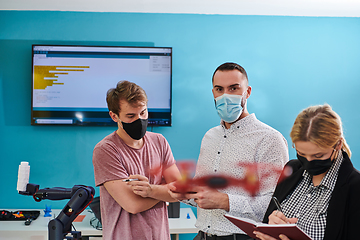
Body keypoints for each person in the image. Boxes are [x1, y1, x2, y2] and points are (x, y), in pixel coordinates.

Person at [169, 62, 289, 240]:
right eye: (219, 89)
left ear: (247, 92)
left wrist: (225, 201)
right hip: (202, 235)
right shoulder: (210, 136)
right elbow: (202, 192)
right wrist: (183, 192)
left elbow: (276, 205)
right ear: (213, 93)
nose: (226, 95)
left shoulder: (269, 139)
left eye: (233, 88)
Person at [255, 104, 360, 240]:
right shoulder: (291, 170)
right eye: (301, 153)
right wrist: (271, 225)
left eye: (318, 156)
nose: (308, 161)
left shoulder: (355, 188)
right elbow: (266, 224)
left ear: (338, 145)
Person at [92, 80, 181, 240]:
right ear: (114, 116)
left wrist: (151, 191)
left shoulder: (159, 141)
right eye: (131, 116)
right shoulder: (106, 149)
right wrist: (165, 192)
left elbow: (180, 190)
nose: (139, 120)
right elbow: (133, 205)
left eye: (143, 113)